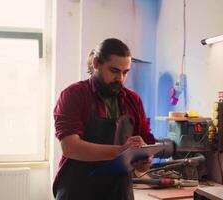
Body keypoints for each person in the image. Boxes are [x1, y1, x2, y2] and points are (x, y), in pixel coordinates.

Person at [53, 38, 156, 200]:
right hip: (78, 190)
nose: (120, 78)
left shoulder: (133, 100)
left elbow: (145, 143)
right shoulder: (74, 95)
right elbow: (70, 147)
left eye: (125, 72)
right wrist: (121, 151)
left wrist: (143, 160)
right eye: (114, 71)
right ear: (96, 63)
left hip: (119, 192)